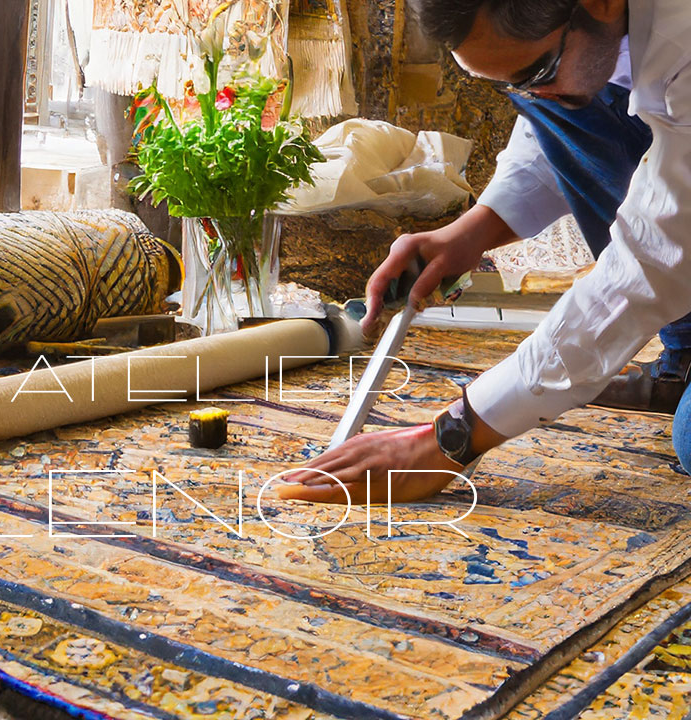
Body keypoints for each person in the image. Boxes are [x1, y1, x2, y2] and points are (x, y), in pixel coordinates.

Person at [278, 0, 691, 504]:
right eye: (507, 84)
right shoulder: (582, 39)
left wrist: (453, 434)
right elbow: (559, 120)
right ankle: (685, 359)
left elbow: (656, 259)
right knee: (561, 90)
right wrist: (473, 231)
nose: (527, 96)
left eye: (534, 70)